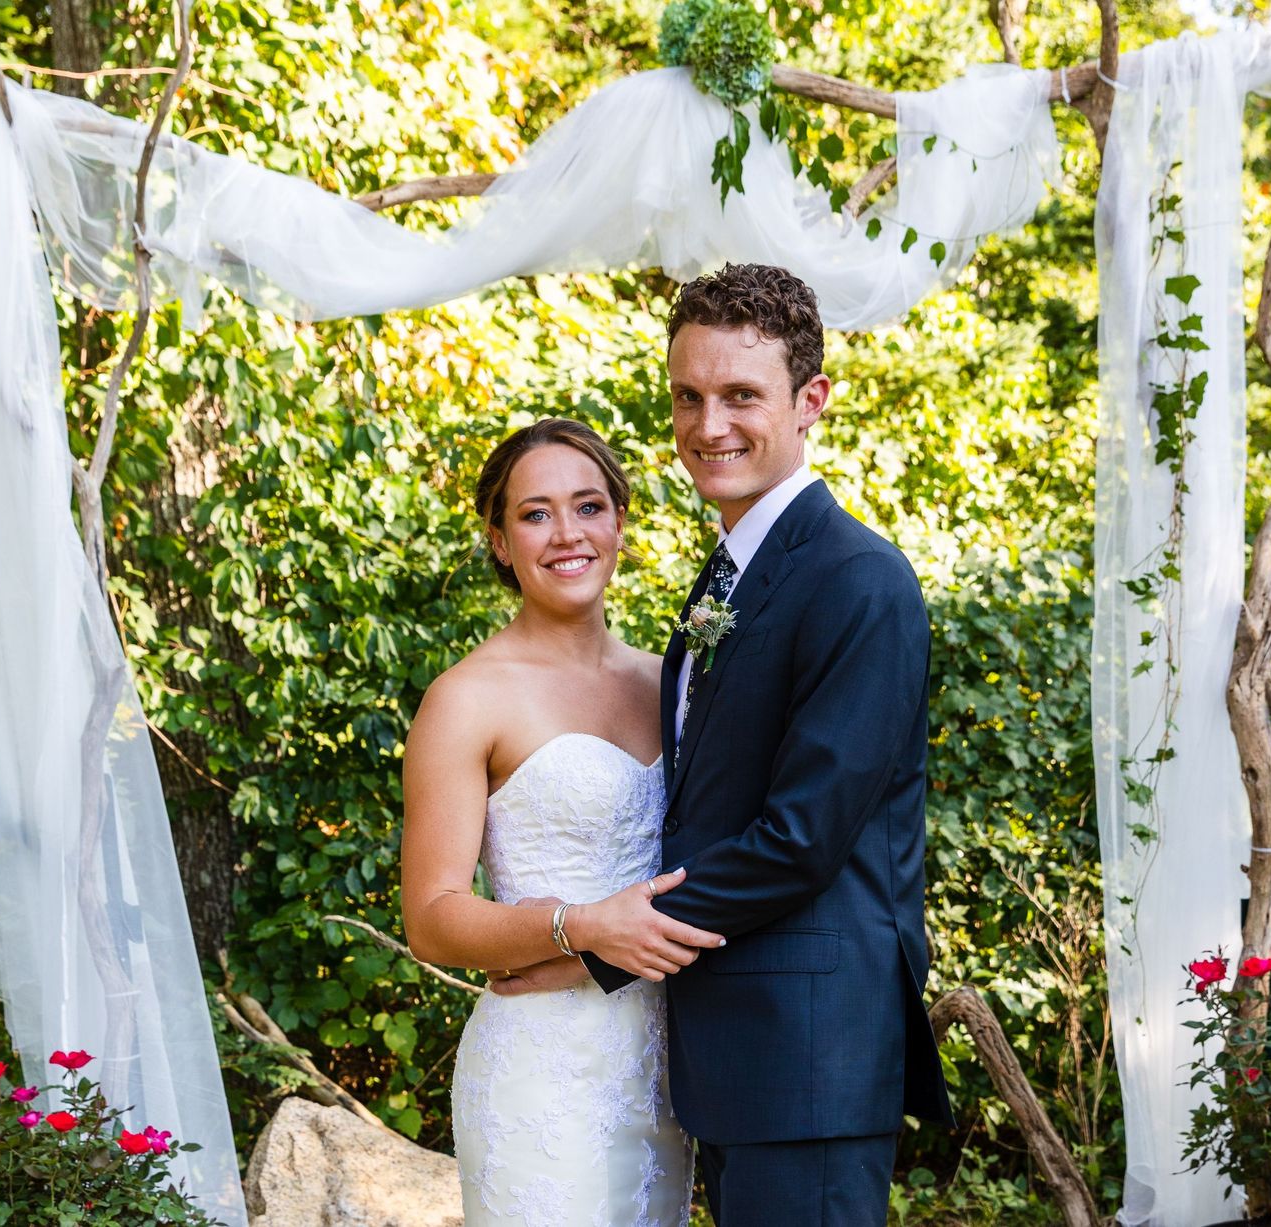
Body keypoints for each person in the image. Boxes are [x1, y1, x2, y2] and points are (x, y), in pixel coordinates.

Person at [497, 263, 953, 1226]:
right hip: (738, 1055)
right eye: (689, 396)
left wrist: (599, 952)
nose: (710, 427)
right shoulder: (732, 574)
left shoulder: (858, 581)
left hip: (810, 1060)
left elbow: (799, 839)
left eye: (742, 394)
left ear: (810, 400)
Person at [400, 417, 717, 1225]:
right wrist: (579, 927)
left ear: (619, 522)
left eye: (587, 506)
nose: (566, 533)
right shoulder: (466, 697)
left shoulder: (670, 682)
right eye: (535, 513)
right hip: (539, 1077)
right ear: (501, 541)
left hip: (663, 1069)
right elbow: (433, 919)